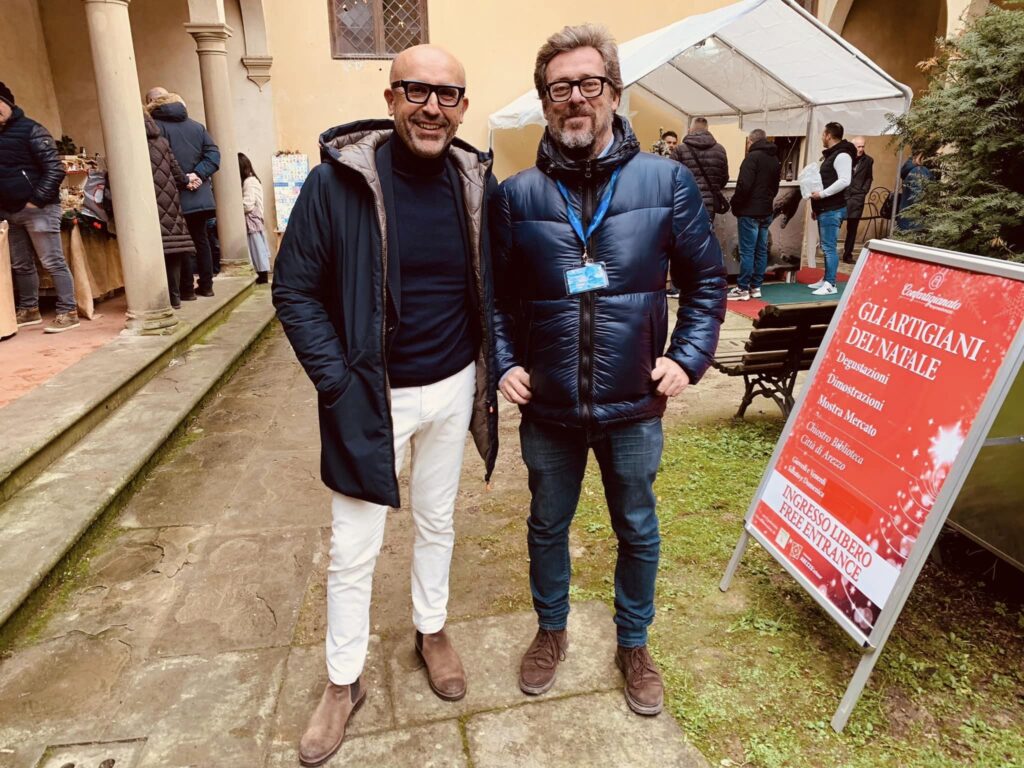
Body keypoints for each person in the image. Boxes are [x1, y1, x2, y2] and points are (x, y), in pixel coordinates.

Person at [272, 45, 498, 766]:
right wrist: (337, 382)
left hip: (454, 385)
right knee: (353, 548)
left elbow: (497, 281)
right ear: (392, 97)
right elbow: (294, 289)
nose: (432, 107)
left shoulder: (475, 182)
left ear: (463, 106)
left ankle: (431, 630)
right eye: (417, 91)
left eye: (447, 94)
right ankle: (343, 681)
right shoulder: (336, 184)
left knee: (437, 520)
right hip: (371, 397)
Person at [492, 24, 726, 718]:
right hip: (549, 406)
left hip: (633, 404)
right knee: (546, 525)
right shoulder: (516, 195)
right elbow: (495, 298)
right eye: (559, 87)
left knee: (638, 528)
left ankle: (634, 643)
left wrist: (687, 357)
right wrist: (504, 361)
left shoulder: (666, 181)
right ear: (544, 101)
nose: (575, 99)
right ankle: (551, 630)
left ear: (614, 94)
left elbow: (707, 282)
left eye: (588, 84)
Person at [0, 81, 78, 333]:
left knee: (52, 261)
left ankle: (68, 311)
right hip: (8, 211)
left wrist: (36, 200)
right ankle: (29, 309)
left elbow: (55, 169)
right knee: (20, 264)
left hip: (38, 209)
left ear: (8, 103)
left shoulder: (31, 129)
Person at [145, 87, 220, 299]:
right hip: (200, 193)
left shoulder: (155, 128)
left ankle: (186, 290)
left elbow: (162, 161)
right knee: (201, 240)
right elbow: (213, 155)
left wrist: (185, 179)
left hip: (172, 195)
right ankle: (206, 285)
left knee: (181, 244)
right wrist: (198, 175)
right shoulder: (197, 127)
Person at [143, 112, 195, 310]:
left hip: (147, 204)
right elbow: (177, 172)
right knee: (173, 250)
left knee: (152, 252)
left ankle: (156, 298)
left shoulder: (133, 143)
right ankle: (175, 297)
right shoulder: (162, 142)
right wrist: (187, 180)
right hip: (170, 204)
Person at [728, 129, 781, 301]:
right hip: (765, 211)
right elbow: (775, 187)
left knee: (747, 252)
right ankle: (756, 286)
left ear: (750, 141)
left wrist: (735, 204)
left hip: (749, 211)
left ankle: (742, 288)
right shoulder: (774, 159)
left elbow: (744, 185)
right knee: (761, 251)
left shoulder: (751, 158)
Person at [808, 122, 855, 296]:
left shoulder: (842, 155)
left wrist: (822, 194)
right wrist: (817, 206)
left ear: (828, 135)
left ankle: (830, 284)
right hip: (825, 208)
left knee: (829, 247)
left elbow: (844, 180)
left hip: (832, 208)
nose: (822, 137)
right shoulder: (832, 155)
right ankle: (826, 279)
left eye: (823, 134)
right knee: (826, 246)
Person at [671, 116, 729, 223]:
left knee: (687, 231)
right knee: (707, 231)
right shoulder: (720, 150)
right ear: (707, 129)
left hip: (686, 201)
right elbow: (724, 178)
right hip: (709, 204)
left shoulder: (680, 149)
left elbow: (671, 178)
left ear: (690, 129)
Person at [238, 152, 270, 284]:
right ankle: (262, 275)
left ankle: (262, 277)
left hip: (252, 220)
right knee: (259, 249)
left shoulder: (249, 182)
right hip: (256, 220)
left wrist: (236, 207)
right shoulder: (253, 180)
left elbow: (248, 204)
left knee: (257, 248)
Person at [842, 136, 873, 263]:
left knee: (852, 228)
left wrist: (864, 190)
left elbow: (869, 177)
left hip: (857, 198)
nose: (861, 149)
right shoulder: (845, 158)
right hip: (843, 196)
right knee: (836, 224)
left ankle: (847, 255)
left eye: (862, 146)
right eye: (858, 146)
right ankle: (830, 253)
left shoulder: (868, 160)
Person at [896, 152, 933, 232]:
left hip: (905, 215)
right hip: (914, 220)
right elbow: (917, 197)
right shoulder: (919, 171)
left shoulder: (911, 170)